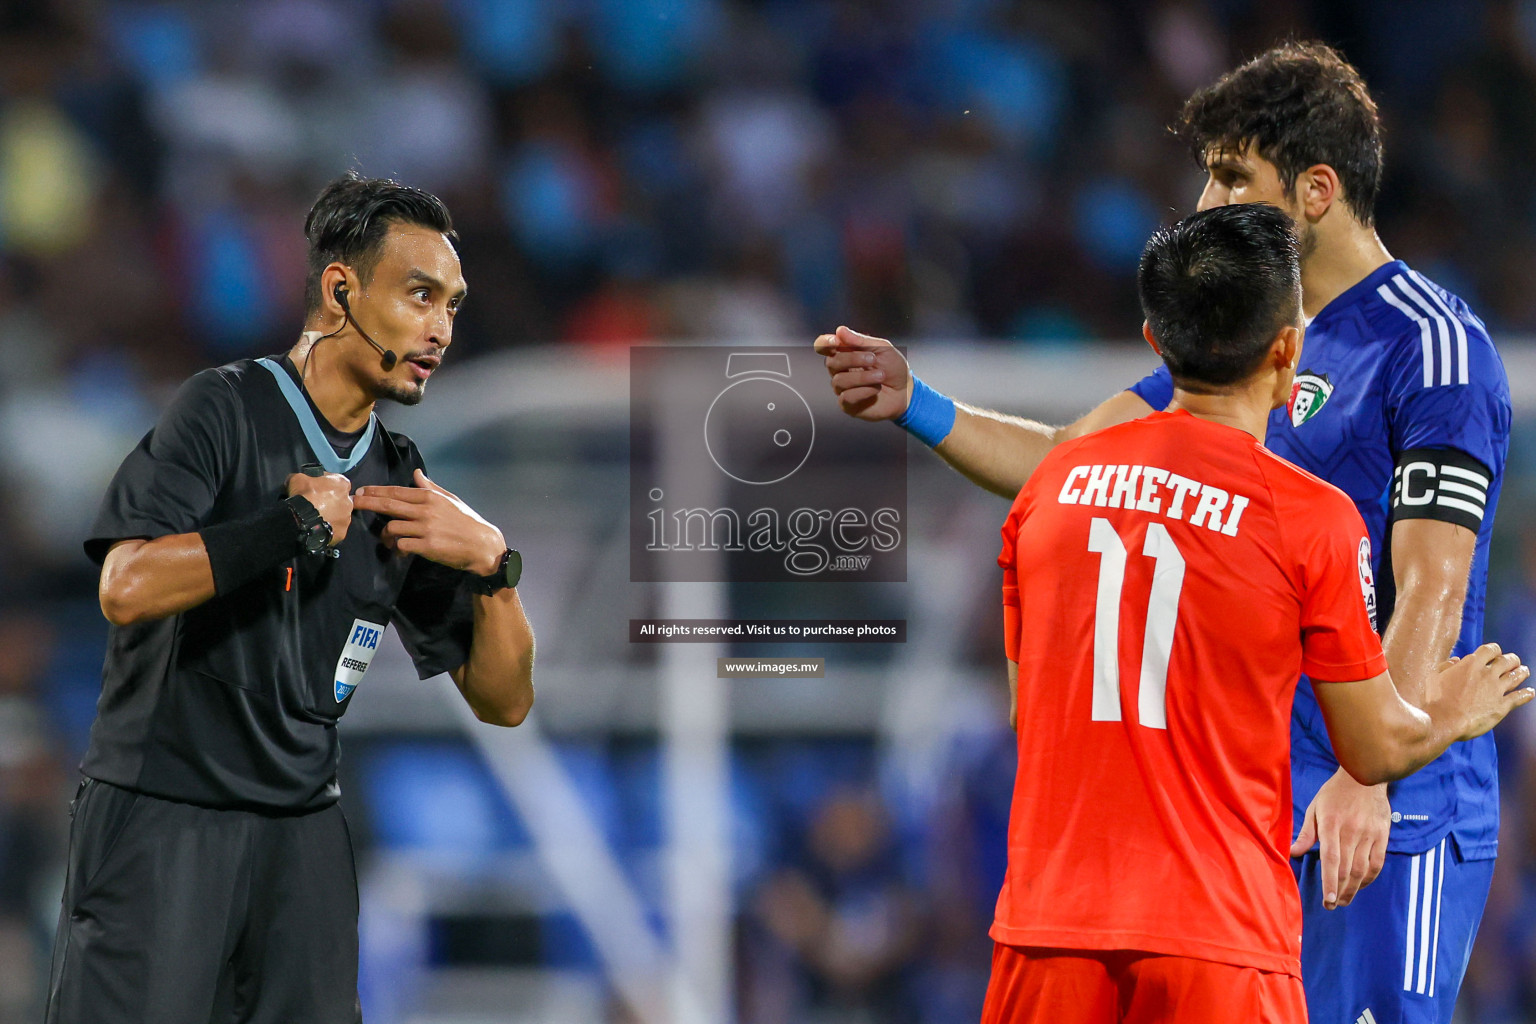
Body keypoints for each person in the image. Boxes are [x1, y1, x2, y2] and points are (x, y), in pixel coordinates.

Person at [817, 41, 1511, 1022]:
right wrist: (916, 403)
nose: (1205, 201)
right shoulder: (1245, 336)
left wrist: (1372, 775)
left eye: (1233, 176)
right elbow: (1070, 454)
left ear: (1316, 189)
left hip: (1396, 805)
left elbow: (1435, 581)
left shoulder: (1431, 345)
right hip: (1263, 808)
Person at [980, 201, 1528, 1023]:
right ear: (1289, 348)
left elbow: (1034, 715)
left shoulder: (1049, 494)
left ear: (1155, 345)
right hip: (1220, 930)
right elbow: (1374, 745)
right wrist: (1454, 711)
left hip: (1047, 924)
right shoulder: (1308, 517)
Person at [45, 172, 535, 1023]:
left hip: (304, 837)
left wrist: (494, 569)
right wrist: (285, 530)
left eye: (452, 305)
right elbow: (124, 586)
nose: (440, 328)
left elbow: (504, 700)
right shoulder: (222, 410)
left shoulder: (401, 483)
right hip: (165, 817)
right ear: (341, 289)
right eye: (420, 295)